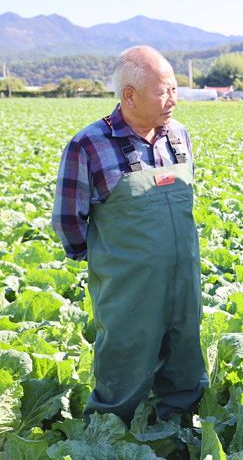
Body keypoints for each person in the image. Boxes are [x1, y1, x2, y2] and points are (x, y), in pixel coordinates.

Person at [52, 45, 208, 423]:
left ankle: (179, 430)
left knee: (185, 355)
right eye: (163, 91)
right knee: (124, 357)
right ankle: (109, 434)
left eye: (174, 89)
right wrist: (109, 261)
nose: (172, 99)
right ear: (129, 95)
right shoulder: (89, 144)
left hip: (183, 277)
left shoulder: (179, 137)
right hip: (128, 285)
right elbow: (68, 219)